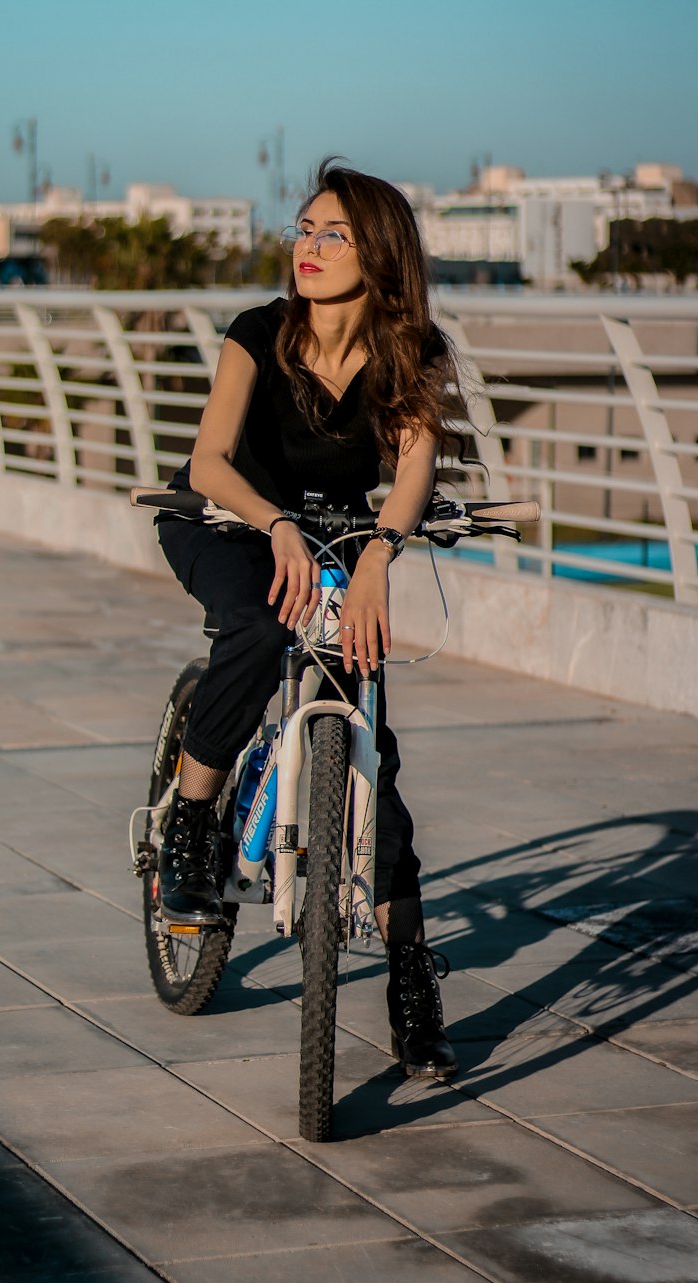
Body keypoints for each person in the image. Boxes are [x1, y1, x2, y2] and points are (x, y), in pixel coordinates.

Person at [155, 158, 463, 1077]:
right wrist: (276, 522)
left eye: (335, 233)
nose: (311, 247)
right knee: (253, 631)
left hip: (340, 540)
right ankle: (194, 828)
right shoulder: (259, 332)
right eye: (304, 228)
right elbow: (211, 460)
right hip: (228, 518)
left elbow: (413, 468)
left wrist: (378, 555)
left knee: (373, 745)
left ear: (379, 252)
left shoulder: (413, 351)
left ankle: (412, 975)